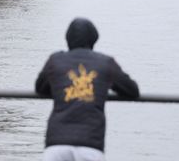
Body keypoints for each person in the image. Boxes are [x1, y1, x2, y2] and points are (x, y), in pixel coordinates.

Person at [35, 17, 139, 161]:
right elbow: (132, 90)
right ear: (93, 40)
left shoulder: (55, 60)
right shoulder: (105, 62)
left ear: (68, 40)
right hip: (91, 144)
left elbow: (40, 88)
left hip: (57, 143)